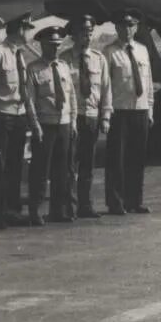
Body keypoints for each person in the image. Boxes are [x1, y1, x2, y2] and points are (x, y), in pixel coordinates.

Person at [0, 12, 40, 229]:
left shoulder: (20, 56)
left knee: (14, 166)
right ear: (19, 29)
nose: (29, 33)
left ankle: (13, 211)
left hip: (19, 115)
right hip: (1, 115)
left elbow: (24, 89)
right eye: (27, 29)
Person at [61, 15, 112, 219]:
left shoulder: (99, 59)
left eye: (90, 31)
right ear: (73, 35)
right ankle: (69, 207)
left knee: (88, 165)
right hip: (72, 117)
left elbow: (106, 89)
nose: (87, 36)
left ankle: (86, 205)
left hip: (91, 116)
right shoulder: (64, 59)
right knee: (69, 165)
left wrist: (106, 115)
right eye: (83, 32)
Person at [103, 9, 153, 215]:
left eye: (131, 25)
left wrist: (150, 109)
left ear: (137, 27)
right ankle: (116, 202)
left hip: (140, 110)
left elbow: (148, 82)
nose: (128, 29)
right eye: (123, 26)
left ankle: (135, 201)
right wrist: (106, 112)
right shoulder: (109, 52)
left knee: (137, 158)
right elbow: (106, 85)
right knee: (117, 160)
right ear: (117, 28)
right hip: (120, 111)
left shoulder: (142, 50)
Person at [26, 26, 77, 225]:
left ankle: (58, 210)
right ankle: (35, 210)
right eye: (50, 45)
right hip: (45, 125)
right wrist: (35, 125)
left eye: (57, 45)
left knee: (62, 170)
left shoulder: (64, 66)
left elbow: (71, 95)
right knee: (40, 170)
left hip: (64, 123)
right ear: (42, 46)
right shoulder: (34, 69)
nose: (54, 49)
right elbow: (29, 101)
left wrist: (72, 122)